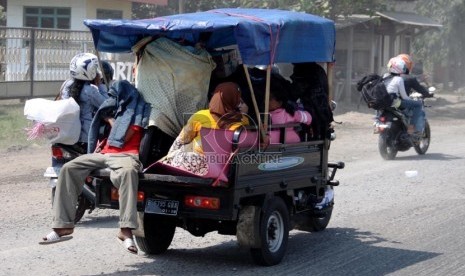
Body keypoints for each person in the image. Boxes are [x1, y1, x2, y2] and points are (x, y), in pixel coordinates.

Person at [40, 80, 151, 256]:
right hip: (104, 154)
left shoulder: (136, 112)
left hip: (126, 155)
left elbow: (123, 135)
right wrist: (104, 115)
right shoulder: (115, 110)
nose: (113, 99)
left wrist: (108, 118)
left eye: (117, 96)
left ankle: (125, 230)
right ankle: (63, 226)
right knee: (69, 168)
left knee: (129, 173)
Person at [162, 82, 249, 175]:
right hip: (221, 169)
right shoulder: (242, 121)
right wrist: (244, 113)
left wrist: (169, 158)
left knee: (179, 154)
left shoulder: (201, 115)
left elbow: (181, 140)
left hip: (191, 164)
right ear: (235, 100)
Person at [59, 53, 110, 153]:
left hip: (66, 134)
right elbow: (107, 105)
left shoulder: (66, 85)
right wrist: (100, 84)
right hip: (85, 138)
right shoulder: (90, 91)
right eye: (95, 68)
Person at [385, 57, 425, 136]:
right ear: (400, 68)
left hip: (384, 102)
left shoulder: (385, 76)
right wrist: (411, 100)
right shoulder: (399, 79)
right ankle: (411, 127)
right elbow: (404, 97)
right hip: (395, 103)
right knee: (418, 105)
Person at [268, 76, 312, 143]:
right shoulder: (261, 114)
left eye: (270, 99)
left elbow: (308, 117)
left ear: (279, 103)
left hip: (289, 141)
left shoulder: (289, 113)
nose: (267, 101)